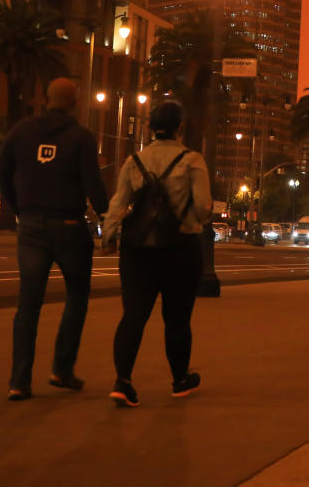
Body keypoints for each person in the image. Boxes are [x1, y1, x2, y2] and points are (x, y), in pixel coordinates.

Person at [0, 77, 108, 401]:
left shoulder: (21, 131)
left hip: (31, 227)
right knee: (76, 296)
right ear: (75, 101)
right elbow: (93, 185)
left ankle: (19, 381)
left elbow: (2, 173)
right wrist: (108, 221)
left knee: (28, 304)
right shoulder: (82, 138)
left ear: (46, 98)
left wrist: (20, 208)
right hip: (70, 225)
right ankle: (61, 367)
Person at [100, 100, 211, 408]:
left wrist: (108, 237)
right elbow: (202, 208)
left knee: (133, 316)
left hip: (137, 252)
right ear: (180, 128)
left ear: (150, 128)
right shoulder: (193, 161)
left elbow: (117, 204)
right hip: (181, 250)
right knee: (177, 319)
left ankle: (123, 382)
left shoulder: (133, 161)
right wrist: (191, 218)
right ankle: (179, 381)